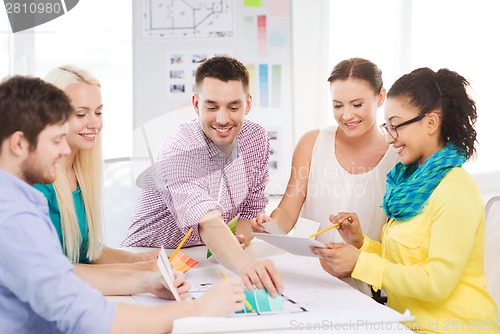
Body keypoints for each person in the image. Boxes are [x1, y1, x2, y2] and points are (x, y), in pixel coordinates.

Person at [0, 75, 246, 334]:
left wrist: (148, 279)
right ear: (19, 143)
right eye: (55, 141)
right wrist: (200, 309)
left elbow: (66, 275)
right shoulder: (15, 219)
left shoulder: (26, 202)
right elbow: (92, 318)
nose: (64, 152)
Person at [313, 68, 499, 333]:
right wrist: (360, 244)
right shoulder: (409, 184)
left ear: (431, 123)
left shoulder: (456, 189)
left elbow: (436, 282)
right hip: (406, 325)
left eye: (396, 125)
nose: (390, 138)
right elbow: (403, 264)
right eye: (386, 127)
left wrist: (359, 263)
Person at [122, 55, 283, 297]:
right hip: (149, 256)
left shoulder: (256, 138)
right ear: (196, 104)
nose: (222, 119)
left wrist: (236, 241)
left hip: (204, 257)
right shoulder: (179, 148)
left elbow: (250, 211)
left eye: (233, 106)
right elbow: (206, 221)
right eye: (211, 107)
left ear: (248, 104)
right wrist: (245, 264)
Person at [252, 58, 398, 295]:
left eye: (357, 104)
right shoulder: (312, 142)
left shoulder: (399, 155)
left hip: (368, 287)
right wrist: (270, 226)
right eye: (338, 105)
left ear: (380, 97)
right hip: (309, 279)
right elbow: (288, 210)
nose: (347, 115)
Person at [33, 65, 157, 272]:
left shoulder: (80, 173)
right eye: (81, 114)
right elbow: (53, 271)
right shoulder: (38, 182)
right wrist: (137, 275)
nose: (95, 123)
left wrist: (141, 260)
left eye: (98, 112)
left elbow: (85, 251)